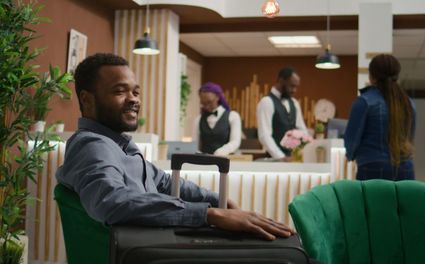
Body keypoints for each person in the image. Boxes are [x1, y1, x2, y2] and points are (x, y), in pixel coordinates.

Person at [55, 53, 293, 240]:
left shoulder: (117, 144)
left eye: (135, 91)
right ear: (87, 99)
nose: (134, 98)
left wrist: (217, 200)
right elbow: (112, 202)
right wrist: (209, 214)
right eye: (120, 91)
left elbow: (163, 182)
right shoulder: (92, 146)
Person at [344, 54, 416, 181]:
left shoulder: (364, 101)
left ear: (372, 76)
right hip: (405, 167)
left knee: (371, 202)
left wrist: (350, 155)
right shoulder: (408, 103)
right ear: (397, 76)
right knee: (402, 202)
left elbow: (352, 141)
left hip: (372, 167)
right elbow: (410, 137)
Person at [256, 67, 308, 161]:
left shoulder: (295, 103)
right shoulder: (266, 102)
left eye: (296, 87)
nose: (294, 90)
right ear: (281, 81)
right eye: (292, 86)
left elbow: (302, 131)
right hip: (274, 160)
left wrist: (299, 152)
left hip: (293, 159)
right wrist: (281, 157)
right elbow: (264, 135)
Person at [192, 82, 241, 156]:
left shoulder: (233, 116)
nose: (207, 106)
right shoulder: (198, 119)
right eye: (203, 103)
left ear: (218, 97)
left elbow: (235, 141)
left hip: (226, 161)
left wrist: (222, 151)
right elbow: (195, 145)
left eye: (209, 102)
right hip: (204, 162)